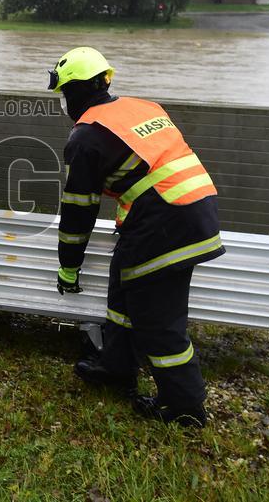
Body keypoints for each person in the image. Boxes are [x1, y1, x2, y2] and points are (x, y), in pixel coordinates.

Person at [49, 47, 224, 428]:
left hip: (166, 223)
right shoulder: (144, 108)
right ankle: (116, 366)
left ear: (75, 93)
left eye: (64, 94)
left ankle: (185, 408)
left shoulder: (86, 137)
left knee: (159, 322)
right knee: (124, 286)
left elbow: (78, 211)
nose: (65, 103)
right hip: (191, 209)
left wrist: (68, 269)